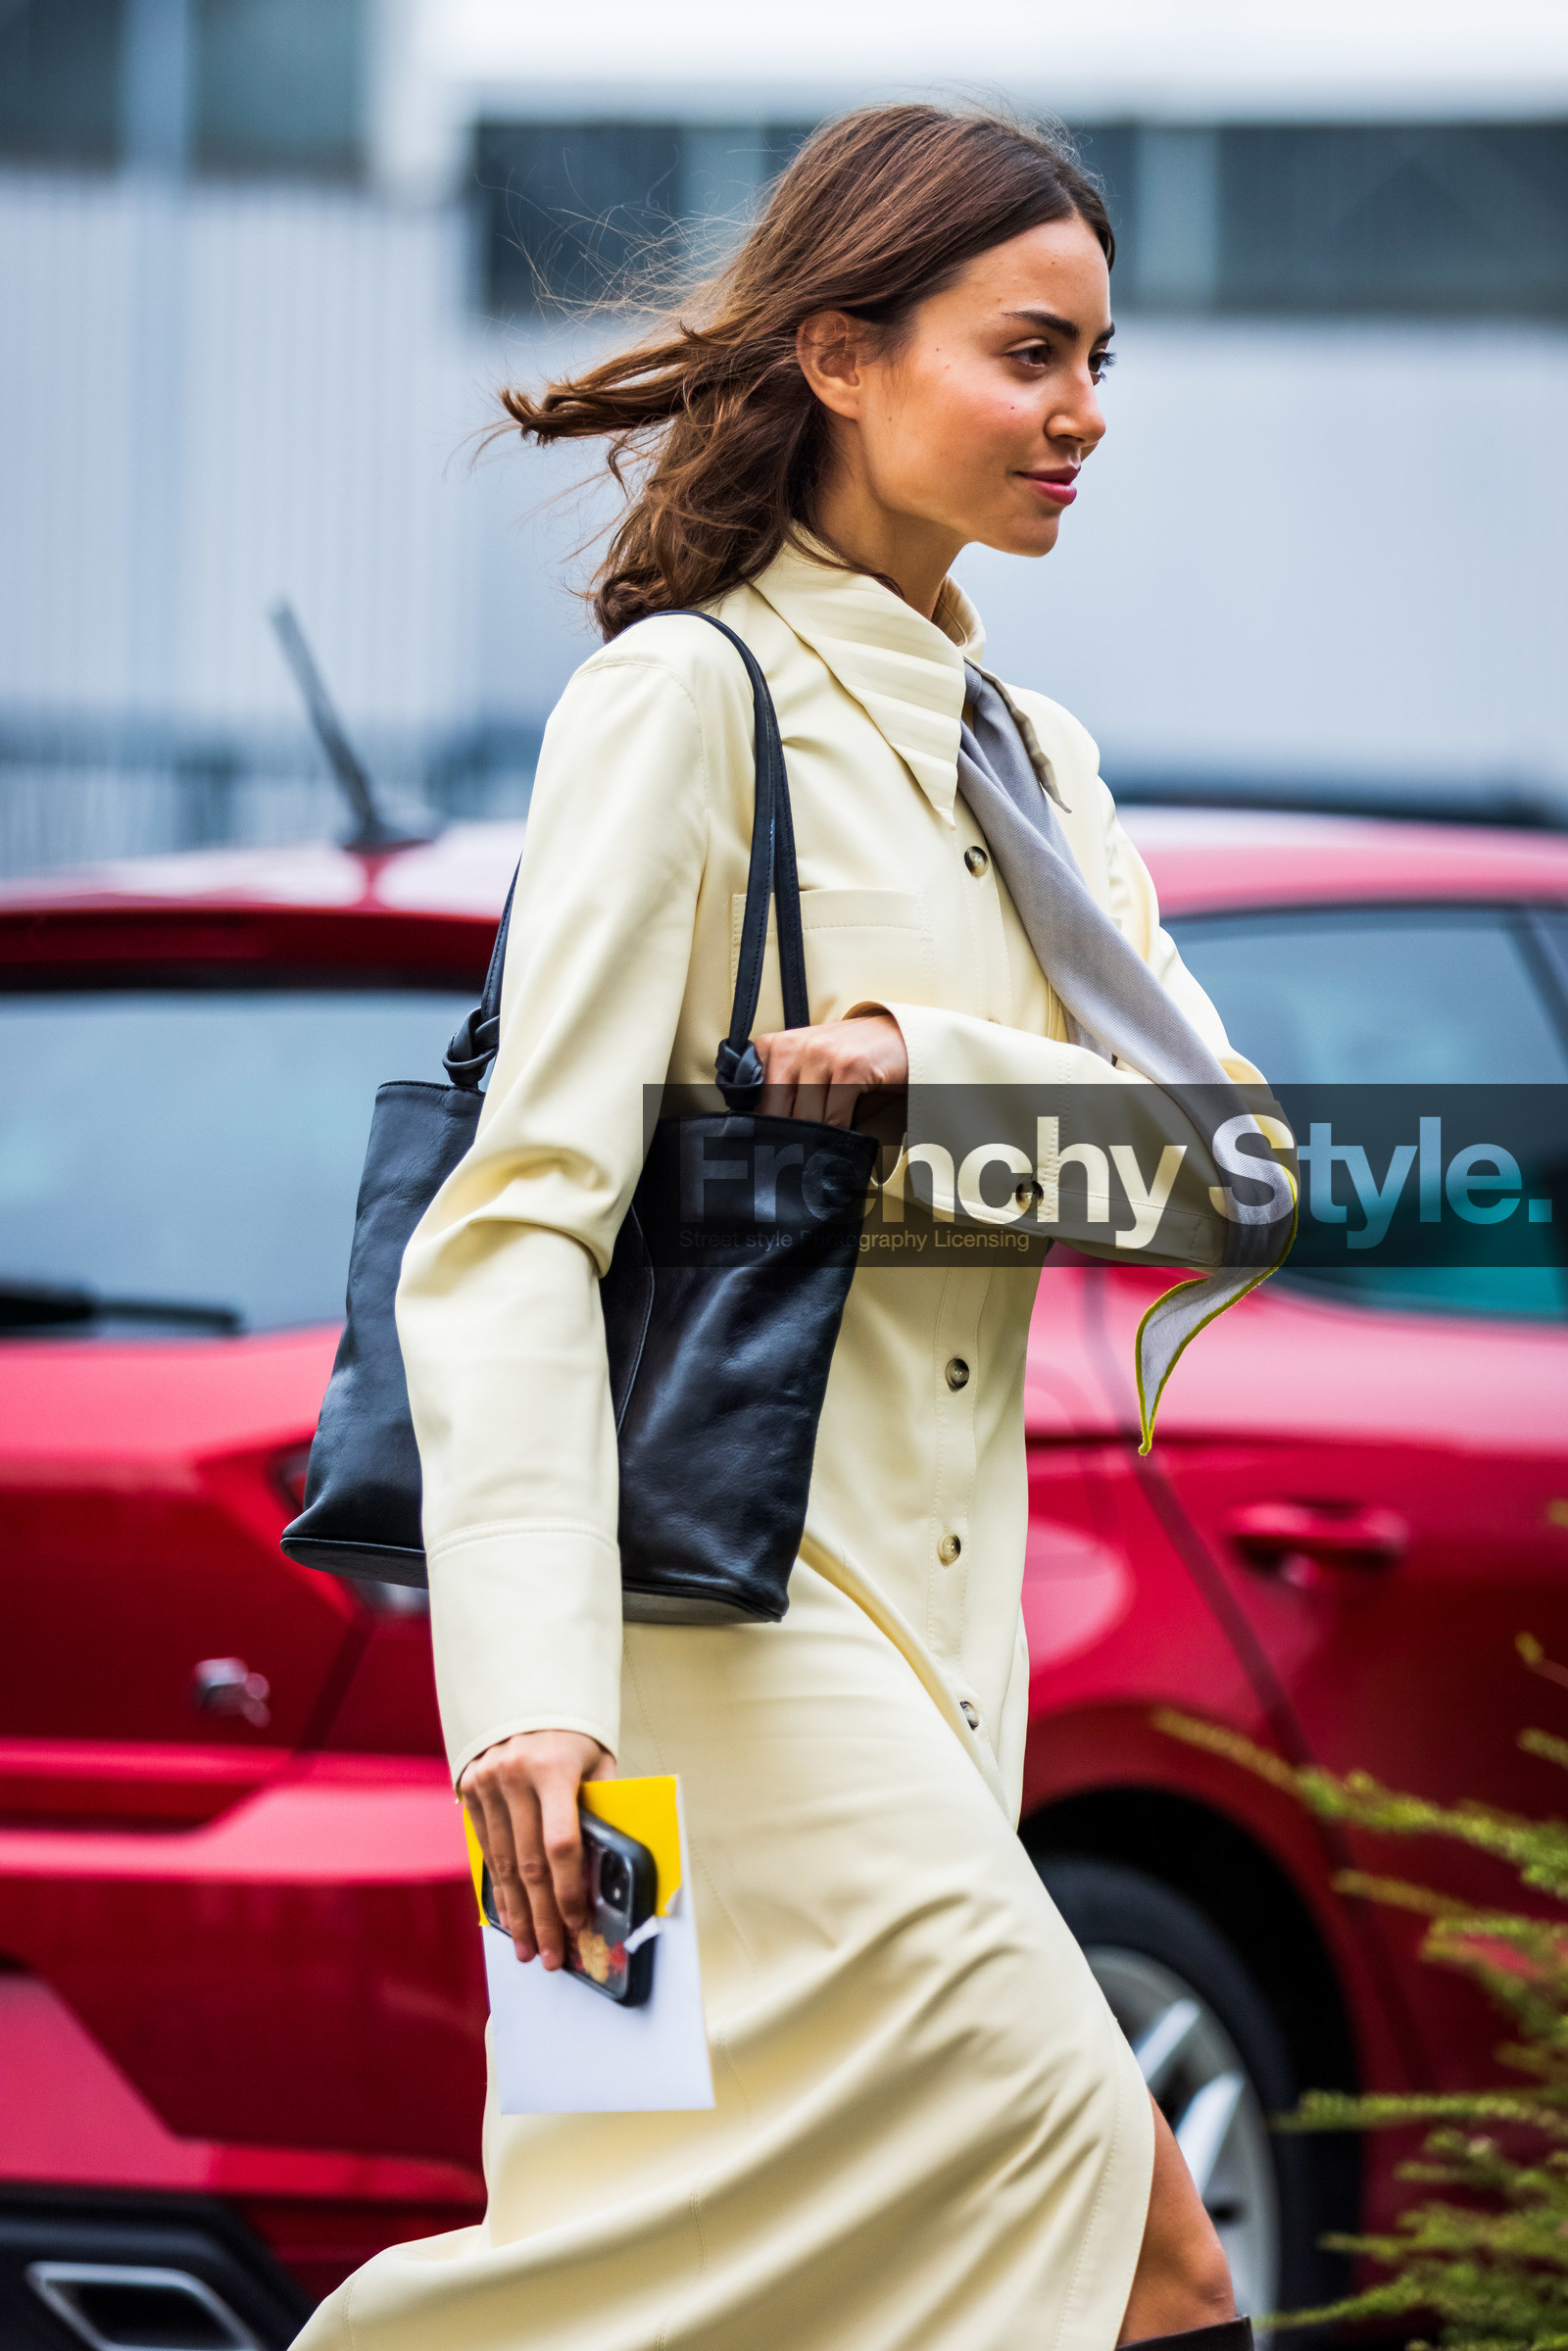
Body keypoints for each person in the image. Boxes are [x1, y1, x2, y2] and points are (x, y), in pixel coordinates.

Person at [296, 102, 1275, 2351]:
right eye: (1028, 354)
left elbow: (1226, 1173)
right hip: (682, 1673)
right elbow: (514, 1226)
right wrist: (530, 1708)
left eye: (1099, 363)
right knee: (1096, 2218)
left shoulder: (1026, 753)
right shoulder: (679, 703)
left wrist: (934, 1078)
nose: (1081, 418)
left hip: (931, 1678)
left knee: (749, 2271)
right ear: (837, 358)